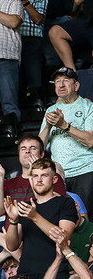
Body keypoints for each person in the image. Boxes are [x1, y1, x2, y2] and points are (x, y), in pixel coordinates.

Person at [40, 67, 93, 212]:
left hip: (85, 171)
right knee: (64, 218)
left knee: (86, 218)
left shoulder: (88, 107)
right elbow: (40, 147)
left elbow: (90, 140)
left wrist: (63, 125)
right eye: (57, 81)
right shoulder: (51, 110)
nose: (61, 85)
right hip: (59, 174)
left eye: (65, 81)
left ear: (76, 85)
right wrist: (47, 127)